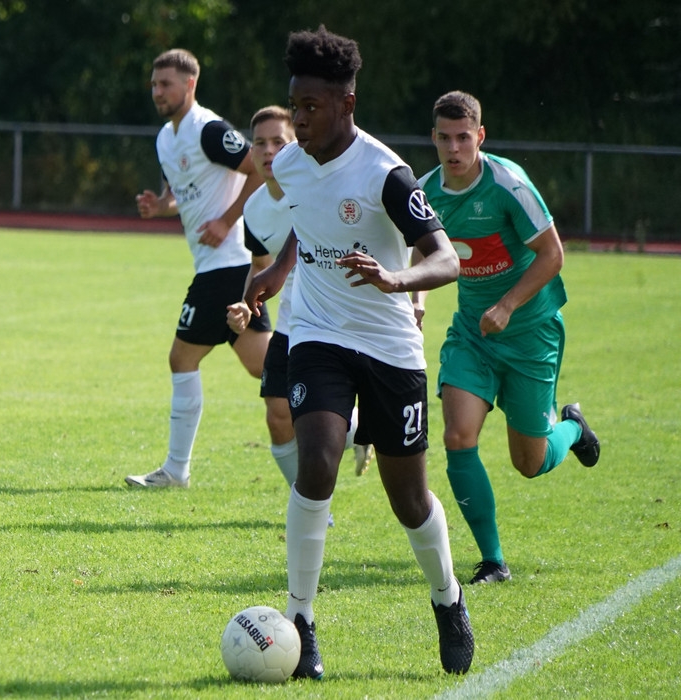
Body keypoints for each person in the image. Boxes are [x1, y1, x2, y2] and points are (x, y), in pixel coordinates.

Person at [244, 27, 473, 678]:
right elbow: (305, 224)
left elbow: (446, 258)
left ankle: (447, 599)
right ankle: (301, 622)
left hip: (389, 346)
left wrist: (396, 280)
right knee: (317, 459)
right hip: (317, 334)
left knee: (409, 500)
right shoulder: (291, 164)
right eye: (295, 106)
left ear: (346, 103)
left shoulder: (385, 174)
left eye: (311, 108)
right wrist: (276, 273)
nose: (298, 121)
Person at [417, 90, 600, 584]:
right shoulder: (425, 191)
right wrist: (417, 301)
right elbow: (420, 250)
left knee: (530, 462)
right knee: (457, 436)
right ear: (433, 138)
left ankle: (572, 428)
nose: (454, 148)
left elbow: (553, 254)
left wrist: (507, 305)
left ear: (480, 136)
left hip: (530, 333)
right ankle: (493, 560)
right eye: (444, 138)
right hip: (472, 334)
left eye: (463, 137)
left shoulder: (508, 184)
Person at [126, 49, 270, 488]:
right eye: (154, 84)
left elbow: (258, 170)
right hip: (223, 267)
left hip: (227, 264)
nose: (157, 92)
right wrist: (161, 206)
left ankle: (176, 469)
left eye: (165, 84)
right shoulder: (165, 138)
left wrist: (226, 221)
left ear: (190, 84)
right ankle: (352, 424)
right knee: (265, 367)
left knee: (182, 357)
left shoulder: (208, 129)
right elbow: (181, 193)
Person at [225, 106, 373, 502]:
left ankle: (360, 429)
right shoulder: (253, 208)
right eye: (260, 143)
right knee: (278, 418)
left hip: (333, 319)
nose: (268, 151)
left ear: (296, 147)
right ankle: (311, 508)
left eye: (279, 141)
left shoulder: (316, 190)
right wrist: (246, 305)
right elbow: (261, 267)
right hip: (291, 322)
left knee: (318, 422)